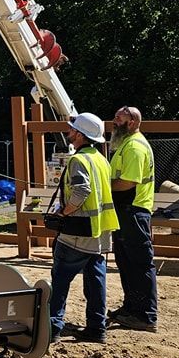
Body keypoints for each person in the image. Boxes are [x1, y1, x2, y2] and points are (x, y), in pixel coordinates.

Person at [49, 112, 118, 345]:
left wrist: (63, 212)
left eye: (72, 130)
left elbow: (82, 191)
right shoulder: (101, 160)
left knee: (60, 280)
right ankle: (97, 329)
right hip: (99, 234)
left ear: (80, 135)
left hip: (77, 233)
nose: (69, 133)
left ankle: (52, 328)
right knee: (96, 282)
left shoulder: (79, 160)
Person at [109, 106, 157, 332]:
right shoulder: (125, 145)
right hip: (125, 212)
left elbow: (127, 182)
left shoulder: (135, 147)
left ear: (133, 122)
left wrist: (102, 189)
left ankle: (146, 315)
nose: (114, 122)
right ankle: (131, 309)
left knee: (139, 264)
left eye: (120, 118)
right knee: (126, 263)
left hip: (134, 211)